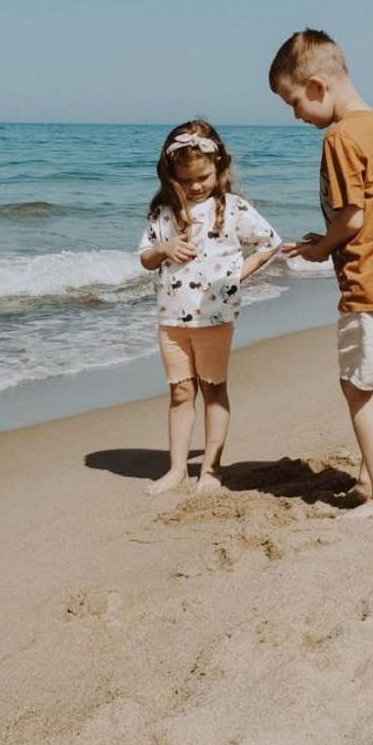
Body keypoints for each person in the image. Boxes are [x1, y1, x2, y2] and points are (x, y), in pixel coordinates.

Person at [268, 30, 373, 519]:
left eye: (294, 102)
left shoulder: (340, 137)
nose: (296, 116)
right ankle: (369, 476)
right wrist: (327, 239)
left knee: (356, 387)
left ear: (317, 87)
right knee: (370, 380)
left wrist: (320, 249)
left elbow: (353, 219)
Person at [138, 120, 282, 496]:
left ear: (219, 168)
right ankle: (176, 470)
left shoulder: (231, 207)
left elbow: (270, 242)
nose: (196, 185)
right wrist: (164, 249)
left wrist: (238, 274)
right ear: (172, 176)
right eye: (186, 180)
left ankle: (211, 470)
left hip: (215, 318)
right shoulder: (163, 211)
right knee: (180, 394)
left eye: (203, 176)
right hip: (171, 318)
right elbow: (145, 258)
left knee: (214, 390)